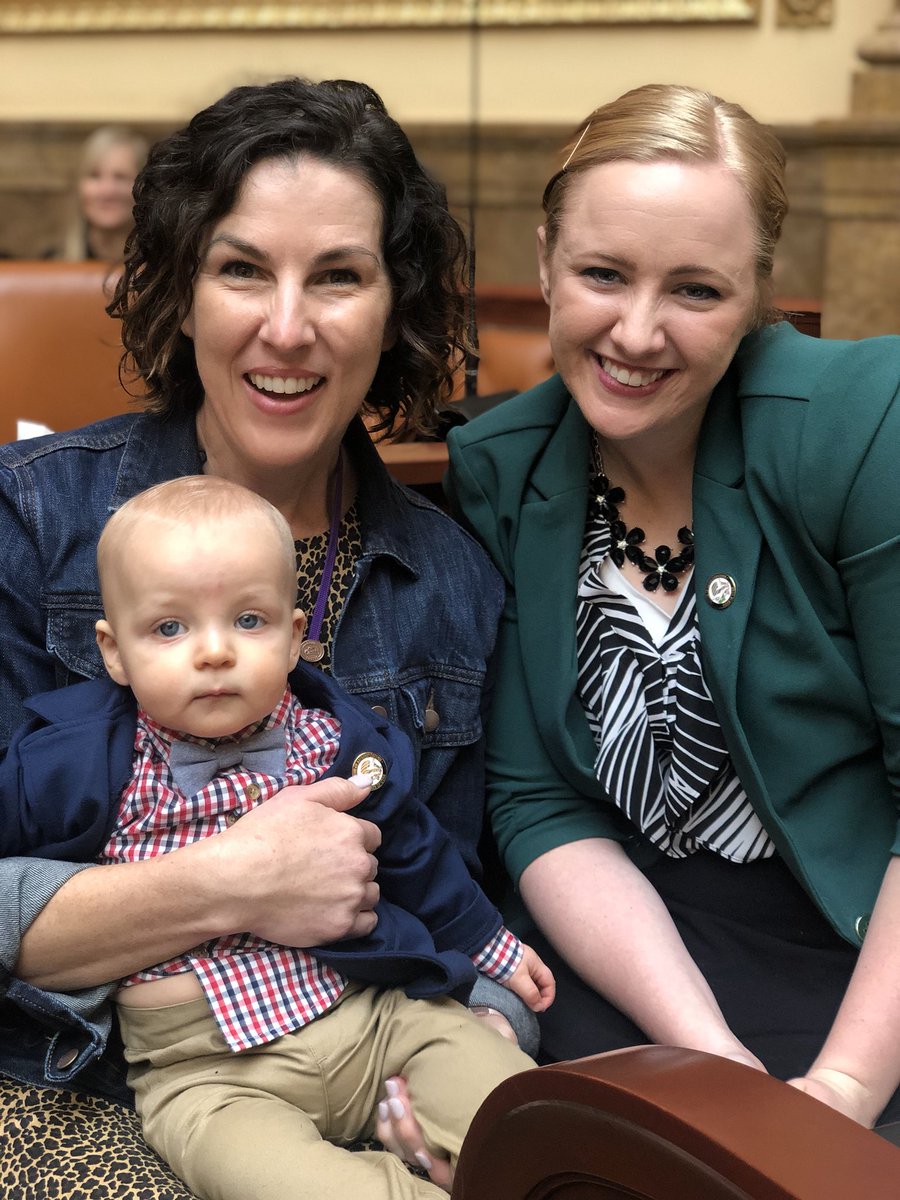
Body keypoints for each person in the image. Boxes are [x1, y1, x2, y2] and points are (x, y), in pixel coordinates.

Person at [0, 77, 520, 1193]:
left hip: (376, 1048)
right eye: (242, 269)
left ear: (395, 310)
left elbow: (450, 888)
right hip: (93, 1084)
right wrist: (235, 881)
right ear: (182, 295)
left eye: (338, 275)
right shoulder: (27, 520)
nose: (288, 327)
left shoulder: (452, 582)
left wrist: (483, 1032)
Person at [447, 83, 900, 1132]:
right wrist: (713, 1058)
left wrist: (832, 1099)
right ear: (548, 256)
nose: (637, 333)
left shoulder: (859, 428)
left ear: (757, 293)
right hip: (631, 949)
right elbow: (535, 802)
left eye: (696, 290)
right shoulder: (499, 465)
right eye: (604, 274)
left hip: (853, 945)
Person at [1, 476, 551, 1198]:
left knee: (526, 1115)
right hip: (205, 1075)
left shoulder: (335, 738)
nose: (214, 652)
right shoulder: (69, 760)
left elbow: (418, 851)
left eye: (249, 621)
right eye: (170, 628)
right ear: (113, 651)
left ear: (295, 638)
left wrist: (490, 950)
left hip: (375, 1018)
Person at [55, 125, 148, 262]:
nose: (107, 190)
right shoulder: (50, 265)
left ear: (145, 188)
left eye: (121, 177)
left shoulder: (169, 270)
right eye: (95, 176)